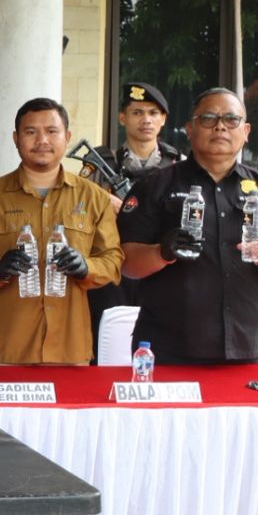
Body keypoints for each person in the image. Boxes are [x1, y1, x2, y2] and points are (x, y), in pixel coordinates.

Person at [119, 88, 258, 364]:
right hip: (169, 352)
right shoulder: (155, 186)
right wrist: (160, 253)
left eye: (231, 120)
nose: (220, 126)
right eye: (208, 118)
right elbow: (124, 261)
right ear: (189, 129)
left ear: (246, 131)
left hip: (248, 351)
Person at [0, 97, 122, 365]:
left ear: (67, 137)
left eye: (52, 131)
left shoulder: (94, 198)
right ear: (16, 138)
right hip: (6, 349)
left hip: (69, 351)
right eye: (31, 132)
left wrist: (86, 267)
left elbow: (113, 260)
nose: (42, 140)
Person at [79, 81, 182, 354]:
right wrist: (106, 203)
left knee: (161, 348)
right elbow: (76, 209)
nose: (146, 120)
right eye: (137, 112)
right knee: (106, 345)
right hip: (112, 270)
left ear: (163, 119)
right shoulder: (100, 163)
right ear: (123, 118)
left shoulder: (179, 166)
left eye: (153, 113)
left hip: (161, 268)